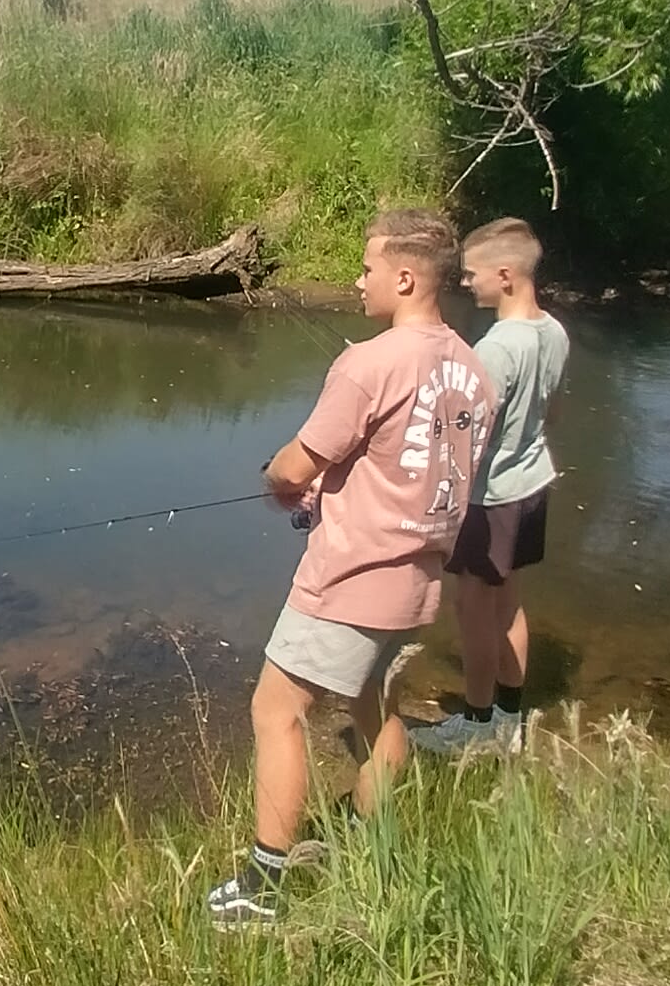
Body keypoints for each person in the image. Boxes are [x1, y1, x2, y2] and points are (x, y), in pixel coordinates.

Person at [205, 209, 493, 926]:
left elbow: (295, 465)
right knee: (371, 705)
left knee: (276, 712)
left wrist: (281, 480)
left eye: (366, 269)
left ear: (404, 276)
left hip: (349, 579)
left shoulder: (367, 364)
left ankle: (263, 888)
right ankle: (371, 839)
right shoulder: (475, 370)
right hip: (418, 581)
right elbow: (416, 466)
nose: (355, 279)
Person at [410, 217, 569, 757]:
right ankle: (509, 717)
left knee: (474, 611)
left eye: (473, 275)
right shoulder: (553, 331)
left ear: (505, 276)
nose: (466, 283)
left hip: (491, 496)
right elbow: (548, 411)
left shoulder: (499, 347)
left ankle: (476, 725)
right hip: (532, 483)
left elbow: (466, 431)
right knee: (509, 605)